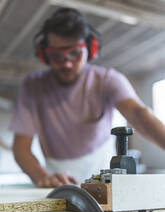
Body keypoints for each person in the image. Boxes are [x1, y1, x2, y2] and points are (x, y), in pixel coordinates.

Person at [10, 7, 165, 187]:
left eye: (75, 53)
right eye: (57, 55)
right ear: (45, 54)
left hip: (104, 176)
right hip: (57, 179)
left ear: (90, 50)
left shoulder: (108, 80)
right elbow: (21, 148)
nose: (66, 63)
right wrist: (41, 177)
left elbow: (140, 115)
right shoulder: (33, 86)